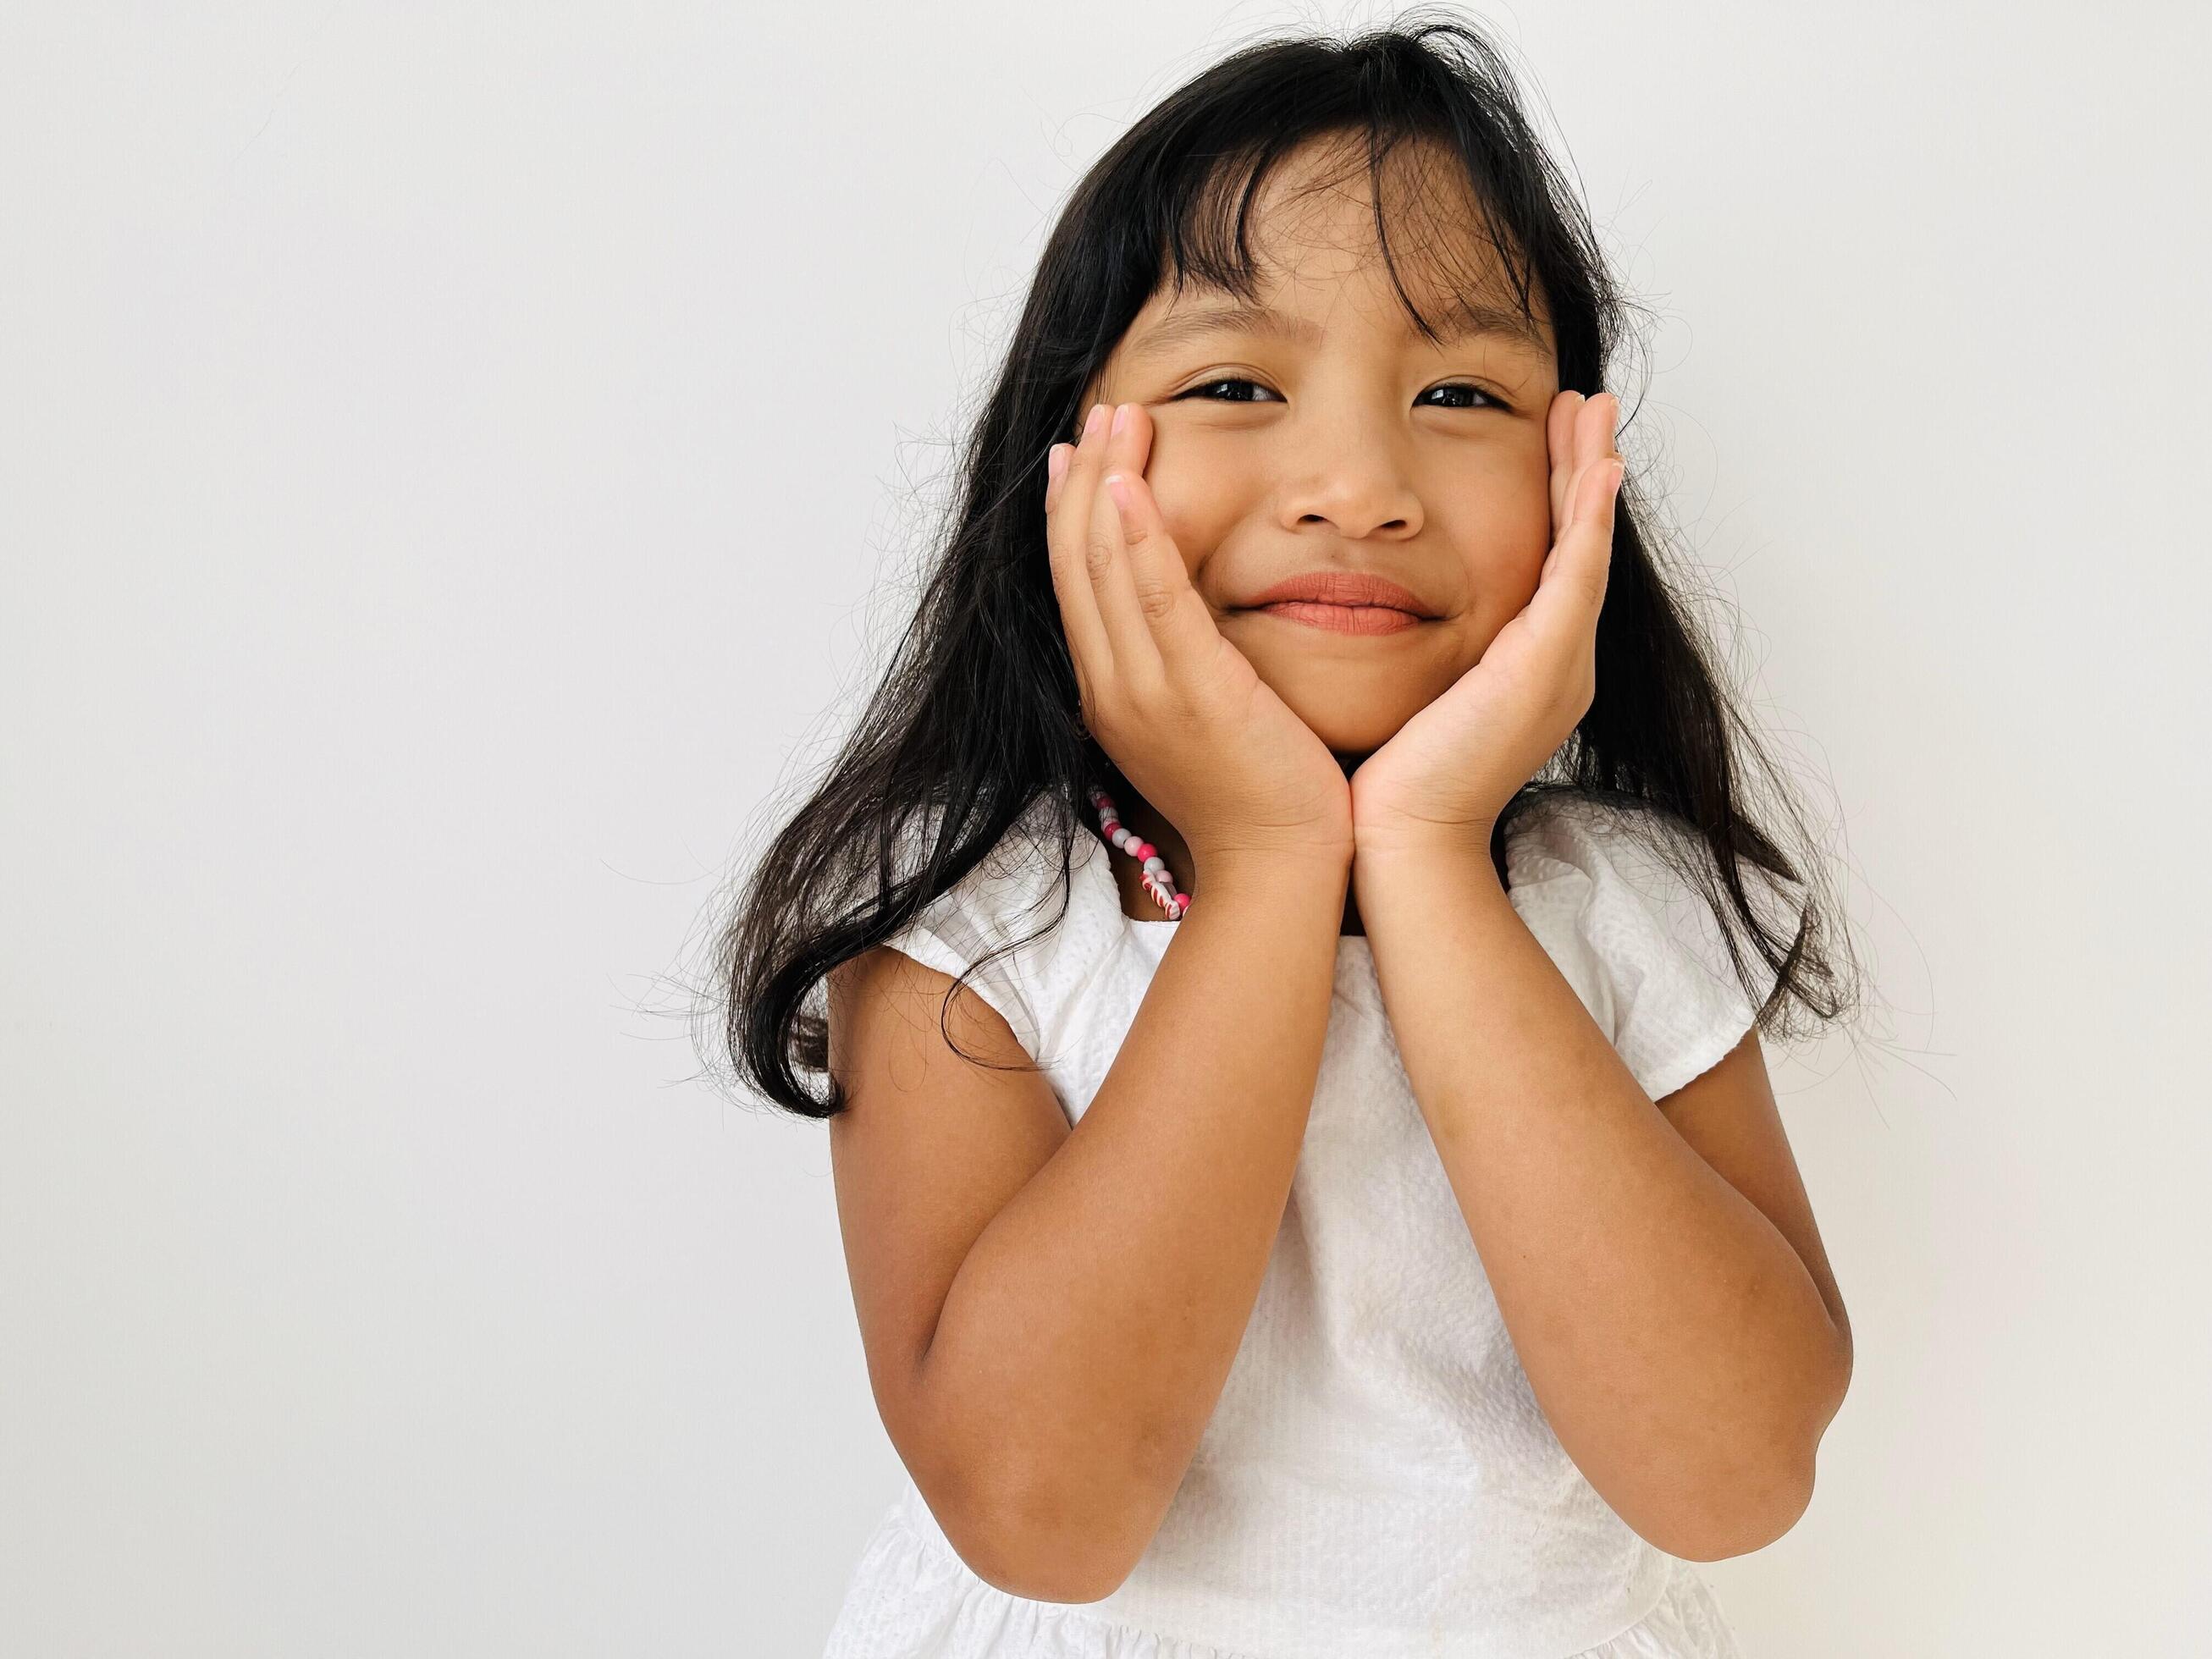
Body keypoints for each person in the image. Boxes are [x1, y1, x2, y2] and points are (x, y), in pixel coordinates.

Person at [711, 15, 1864, 1656]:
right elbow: (1040, 1513)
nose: (1355, 481)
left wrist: (1423, 852)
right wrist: (1261, 862)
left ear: (1574, 476)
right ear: (1062, 462)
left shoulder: (1621, 899)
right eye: (1234, 380)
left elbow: (1730, 1474)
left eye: (1458, 390)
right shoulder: (969, 920)